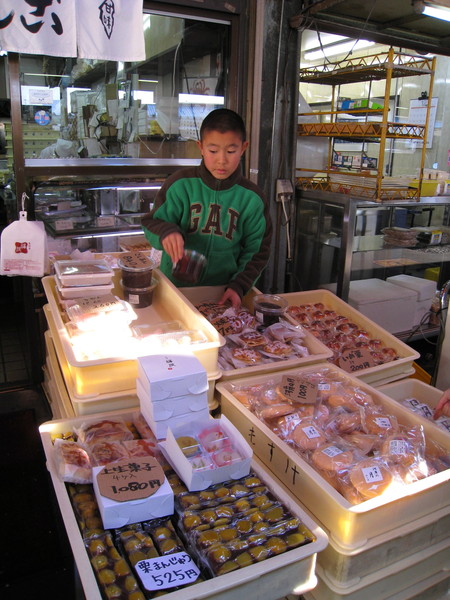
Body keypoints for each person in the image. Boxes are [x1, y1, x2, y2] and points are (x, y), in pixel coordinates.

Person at [141, 108, 272, 308]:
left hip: (223, 293)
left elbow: (258, 250)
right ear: (200, 147)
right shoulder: (181, 184)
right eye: (213, 151)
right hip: (175, 290)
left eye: (231, 151)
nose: (222, 160)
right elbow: (151, 223)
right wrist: (166, 232)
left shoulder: (252, 198)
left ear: (243, 148)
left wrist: (240, 285)